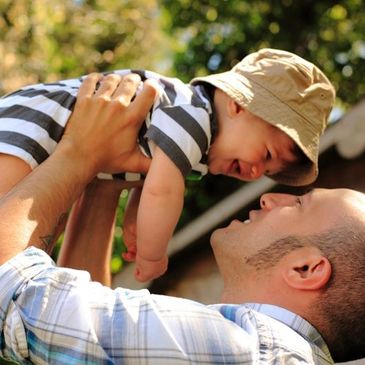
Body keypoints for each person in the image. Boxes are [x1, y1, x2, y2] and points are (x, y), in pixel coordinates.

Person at [0, 75, 363, 364]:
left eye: (299, 205)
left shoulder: (248, 350)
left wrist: (80, 152)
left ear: (305, 268)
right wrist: (103, 184)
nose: (267, 193)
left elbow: (12, 294)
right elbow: (72, 335)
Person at [0, 48, 335, 282]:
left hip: (53, 136)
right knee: (11, 243)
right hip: (41, 121)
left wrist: (134, 221)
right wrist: (152, 254)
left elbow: (147, 183)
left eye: (267, 171)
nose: (256, 173)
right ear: (237, 106)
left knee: (23, 243)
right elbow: (162, 190)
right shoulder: (195, 117)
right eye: (265, 154)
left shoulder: (192, 141)